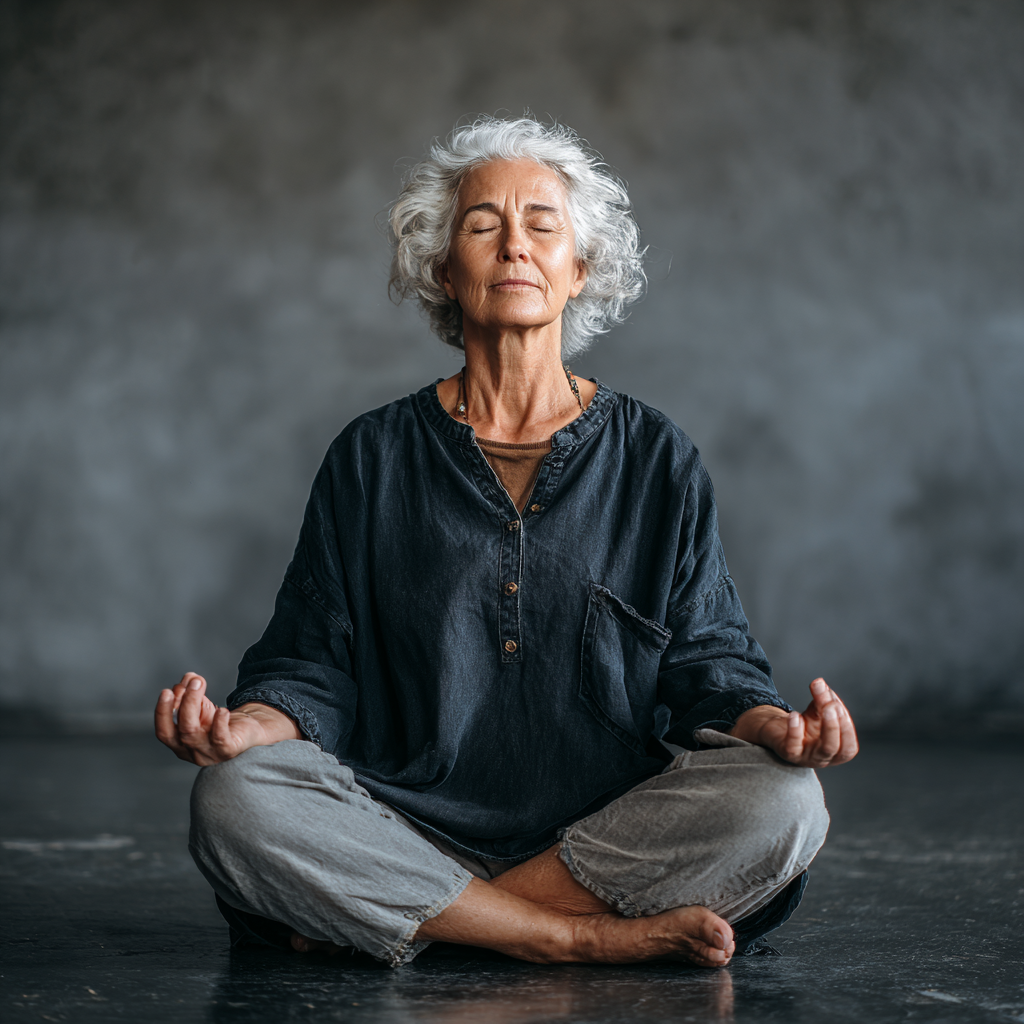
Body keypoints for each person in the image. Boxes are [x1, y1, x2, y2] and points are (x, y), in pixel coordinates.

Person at [155, 116, 857, 969]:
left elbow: (707, 664)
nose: (515, 245)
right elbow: (311, 666)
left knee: (784, 801)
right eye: (483, 225)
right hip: (401, 823)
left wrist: (775, 726)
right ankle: (568, 936)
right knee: (235, 797)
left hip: (602, 836)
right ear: (444, 270)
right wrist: (246, 729)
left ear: (580, 270)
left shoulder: (655, 457)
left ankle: (424, 921)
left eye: (542, 225)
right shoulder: (371, 456)